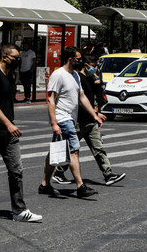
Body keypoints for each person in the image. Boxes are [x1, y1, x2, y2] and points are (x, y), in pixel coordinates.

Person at [38, 47, 103, 198]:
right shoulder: (58, 75)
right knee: (74, 150)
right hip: (62, 118)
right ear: (70, 59)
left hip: (70, 119)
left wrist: (94, 115)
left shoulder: (75, 75)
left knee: (55, 152)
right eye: (78, 59)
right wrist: (54, 123)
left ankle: (44, 185)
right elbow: (51, 99)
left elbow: (82, 97)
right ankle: (81, 186)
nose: (81, 62)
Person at [52, 55, 126, 186]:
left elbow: (98, 97)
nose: (95, 68)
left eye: (96, 65)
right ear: (86, 65)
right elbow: (80, 100)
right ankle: (58, 172)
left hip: (91, 121)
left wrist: (97, 82)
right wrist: (94, 113)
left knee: (98, 148)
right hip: (79, 120)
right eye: (92, 65)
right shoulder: (78, 78)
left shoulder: (93, 78)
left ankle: (108, 175)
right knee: (71, 149)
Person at [0, 44, 42, 222]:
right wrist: (8, 124)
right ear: (4, 56)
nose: (17, 61)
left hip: (8, 134)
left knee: (16, 171)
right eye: (15, 58)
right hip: (1, 130)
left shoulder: (10, 76)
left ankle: (19, 211)